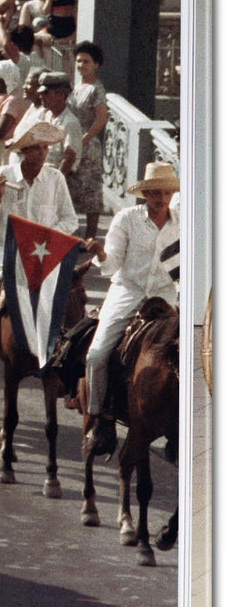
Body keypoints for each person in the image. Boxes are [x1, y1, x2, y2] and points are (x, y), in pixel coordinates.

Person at [0, 121, 77, 411]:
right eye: (37, 148)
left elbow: (69, 220)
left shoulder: (55, 179)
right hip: (5, 258)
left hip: (45, 258)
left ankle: (71, 375)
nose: (43, 153)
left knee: (73, 303)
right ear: (24, 151)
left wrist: (46, 238)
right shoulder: (3, 175)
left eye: (46, 148)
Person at [81, 163, 181, 458]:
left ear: (171, 193)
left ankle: (182, 423)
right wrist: (100, 254)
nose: (159, 198)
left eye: (164, 192)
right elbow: (111, 264)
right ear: (145, 194)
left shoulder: (183, 224)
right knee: (96, 354)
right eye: (153, 192)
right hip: (128, 293)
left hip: (166, 299)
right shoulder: (127, 219)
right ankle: (98, 416)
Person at [69, 41, 110, 239]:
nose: (81, 65)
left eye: (86, 61)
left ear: (96, 64)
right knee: (73, 187)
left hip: (88, 144)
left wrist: (84, 140)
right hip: (73, 141)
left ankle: (91, 237)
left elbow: (101, 119)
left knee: (90, 190)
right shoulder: (77, 86)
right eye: (78, 61)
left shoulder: (96, 89)